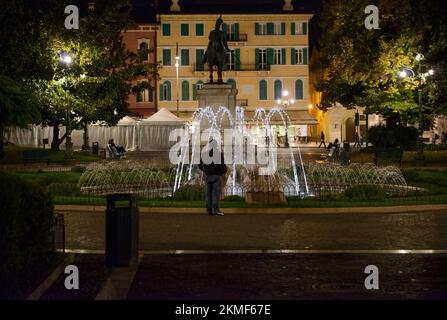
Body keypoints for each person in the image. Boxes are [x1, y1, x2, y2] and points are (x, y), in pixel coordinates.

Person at [198, 139, 228, 216]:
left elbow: (200, 165)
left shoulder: (204, 154)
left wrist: (206, 171)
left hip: (208, 176)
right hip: (216, 176)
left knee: (208, 194)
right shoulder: (218, 154)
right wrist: (223, 171)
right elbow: (222, 166)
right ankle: (216, 210)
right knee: (216, 194)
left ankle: (209, 210)